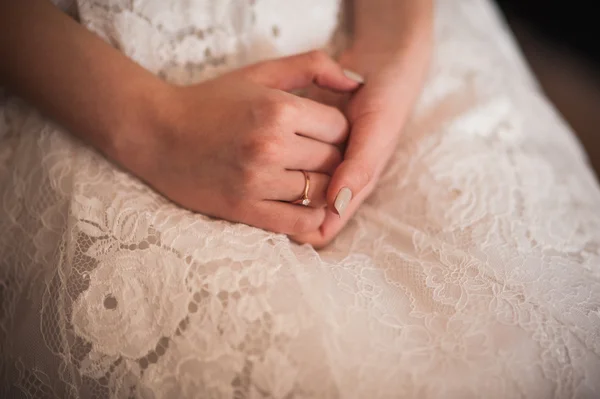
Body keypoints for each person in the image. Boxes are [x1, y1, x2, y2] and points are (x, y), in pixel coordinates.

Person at [1, 0, 599, 398]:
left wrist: (391, 58)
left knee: (566, 317)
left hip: (380, 26)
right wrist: (157, 129)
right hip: (89, 81)